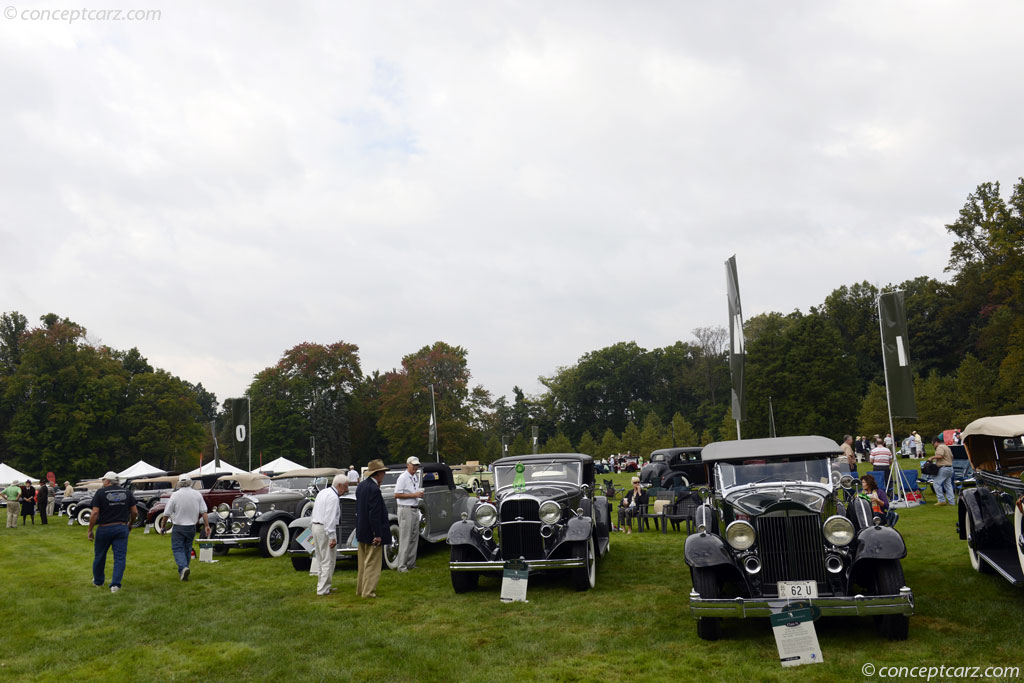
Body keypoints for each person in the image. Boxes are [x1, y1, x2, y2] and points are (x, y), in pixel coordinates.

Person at [87, 471, 138, 593]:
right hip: (121, 527)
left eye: (104, 480)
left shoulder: (100, 493)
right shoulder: (127, 492)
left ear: (108, 481)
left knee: (100, 556)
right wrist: (130, 524)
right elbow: (135, 511)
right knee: (120, 557)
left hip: (104, 528)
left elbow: (94, 513)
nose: (103, 482)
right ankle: (115, 585)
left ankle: (98, 581)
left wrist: (90, 529)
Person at [355, 459, 391, 598]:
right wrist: (377, 534)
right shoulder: (374, 489)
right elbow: (374, 514)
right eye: (383, 473)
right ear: (379, 473)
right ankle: (368, 592)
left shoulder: (361, 486)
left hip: (362, 530)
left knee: (362, 563)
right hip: (371, 532)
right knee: (372, 563)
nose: (384, 475)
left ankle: (360, 589)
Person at [164, 474, 211, 581]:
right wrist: (207, 526)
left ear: (179, 483)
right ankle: (184, 569)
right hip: (191, 527)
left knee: (177, 548)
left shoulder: (175, 495)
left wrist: (163, 526)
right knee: (187, 548)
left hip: (179, 526)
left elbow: (166, 513)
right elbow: (204, 511)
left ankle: (183, 567)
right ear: (190, 482)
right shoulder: (197, 494)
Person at [310, 474, 349, 595]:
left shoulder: (323, 492)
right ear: (339, 485)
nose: (346, 489)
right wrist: (332, 537)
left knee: (321, 558)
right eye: (345, 486)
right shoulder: (333, 497)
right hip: (325, 528)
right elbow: (330, 518)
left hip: (316, 526)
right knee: (328, 559)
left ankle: (324, 585)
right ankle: (322, 589)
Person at [393, 456, 424, 573]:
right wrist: (414, 495)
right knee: (405, 537)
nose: (415, 467)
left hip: (414, 508)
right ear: (408, 465)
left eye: (417, 465)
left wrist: (417, 495)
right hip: (405, 509)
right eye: (413, 465)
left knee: (414, 537)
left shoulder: (414, 477)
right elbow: (396, 494)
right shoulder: (403, 478)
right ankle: (401, 566)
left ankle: (411, 563)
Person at [928, 436, 955, 506]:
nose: (933, 446)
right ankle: (952, 502)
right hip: (950, 468)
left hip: (944, 468)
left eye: (933, 444)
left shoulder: (940, 447)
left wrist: (932, 457)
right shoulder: (947, 447)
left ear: (936, 442)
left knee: (936, 484)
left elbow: (940, 456)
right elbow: (952, 457)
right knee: (948, 486)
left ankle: (941, 500)